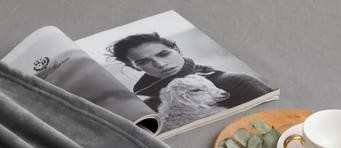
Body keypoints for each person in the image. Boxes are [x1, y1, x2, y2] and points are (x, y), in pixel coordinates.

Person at [106, 32, 273, 112]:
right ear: (135, 68)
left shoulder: (236, 82)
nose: (160, 64)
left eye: (163, 54)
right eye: (143, 62)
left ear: (177, 50)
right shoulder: (149, 107)